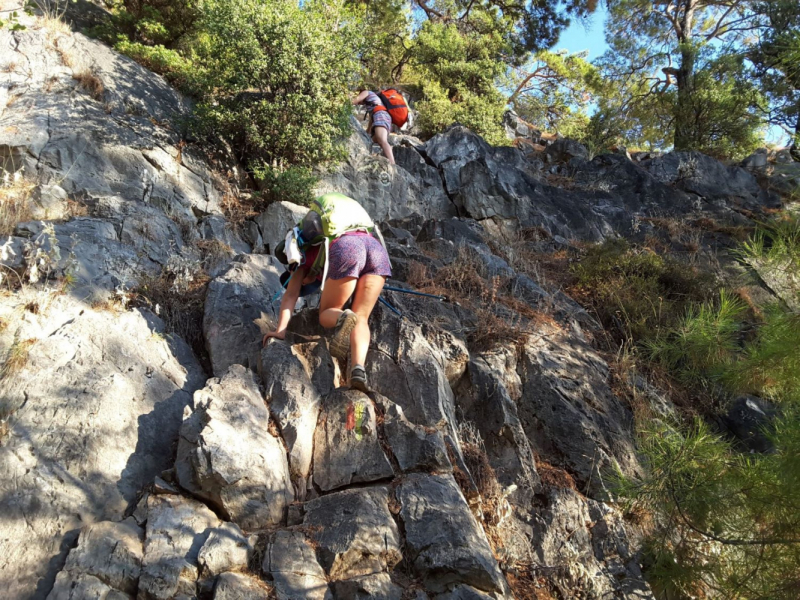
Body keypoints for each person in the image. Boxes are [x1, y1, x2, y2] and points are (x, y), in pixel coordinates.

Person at [262, 200, 392, 392]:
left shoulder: (300, 261)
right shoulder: (324, 245)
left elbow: (290, 296)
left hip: (348, 248)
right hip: (375, 249)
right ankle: (358, 370)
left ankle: (343, 317)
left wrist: (280, 331)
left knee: (326, 314)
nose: (304, 285)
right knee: (361, 317)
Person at [352, 89, 396, 165]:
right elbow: (371, 122)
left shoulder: (366, 92)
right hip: (385, 117)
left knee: (382, 141)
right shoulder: (372, 104)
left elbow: (356, 100)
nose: (360, 104)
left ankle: (393, 165)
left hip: (381, 115)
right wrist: (366, 134)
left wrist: (343, 104)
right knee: (373, 140)